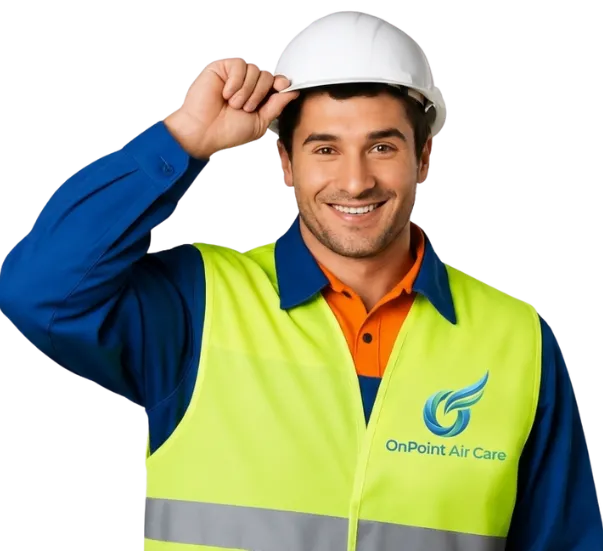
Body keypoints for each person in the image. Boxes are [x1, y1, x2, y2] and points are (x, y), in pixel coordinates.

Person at [0, 9, 600, 551]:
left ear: (424, 159)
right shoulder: (196, 304)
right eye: (325, 149)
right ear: (285, 164)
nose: (356, 181)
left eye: (382, 147)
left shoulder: (518, 339)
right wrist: (182, 140)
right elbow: (39, 290)